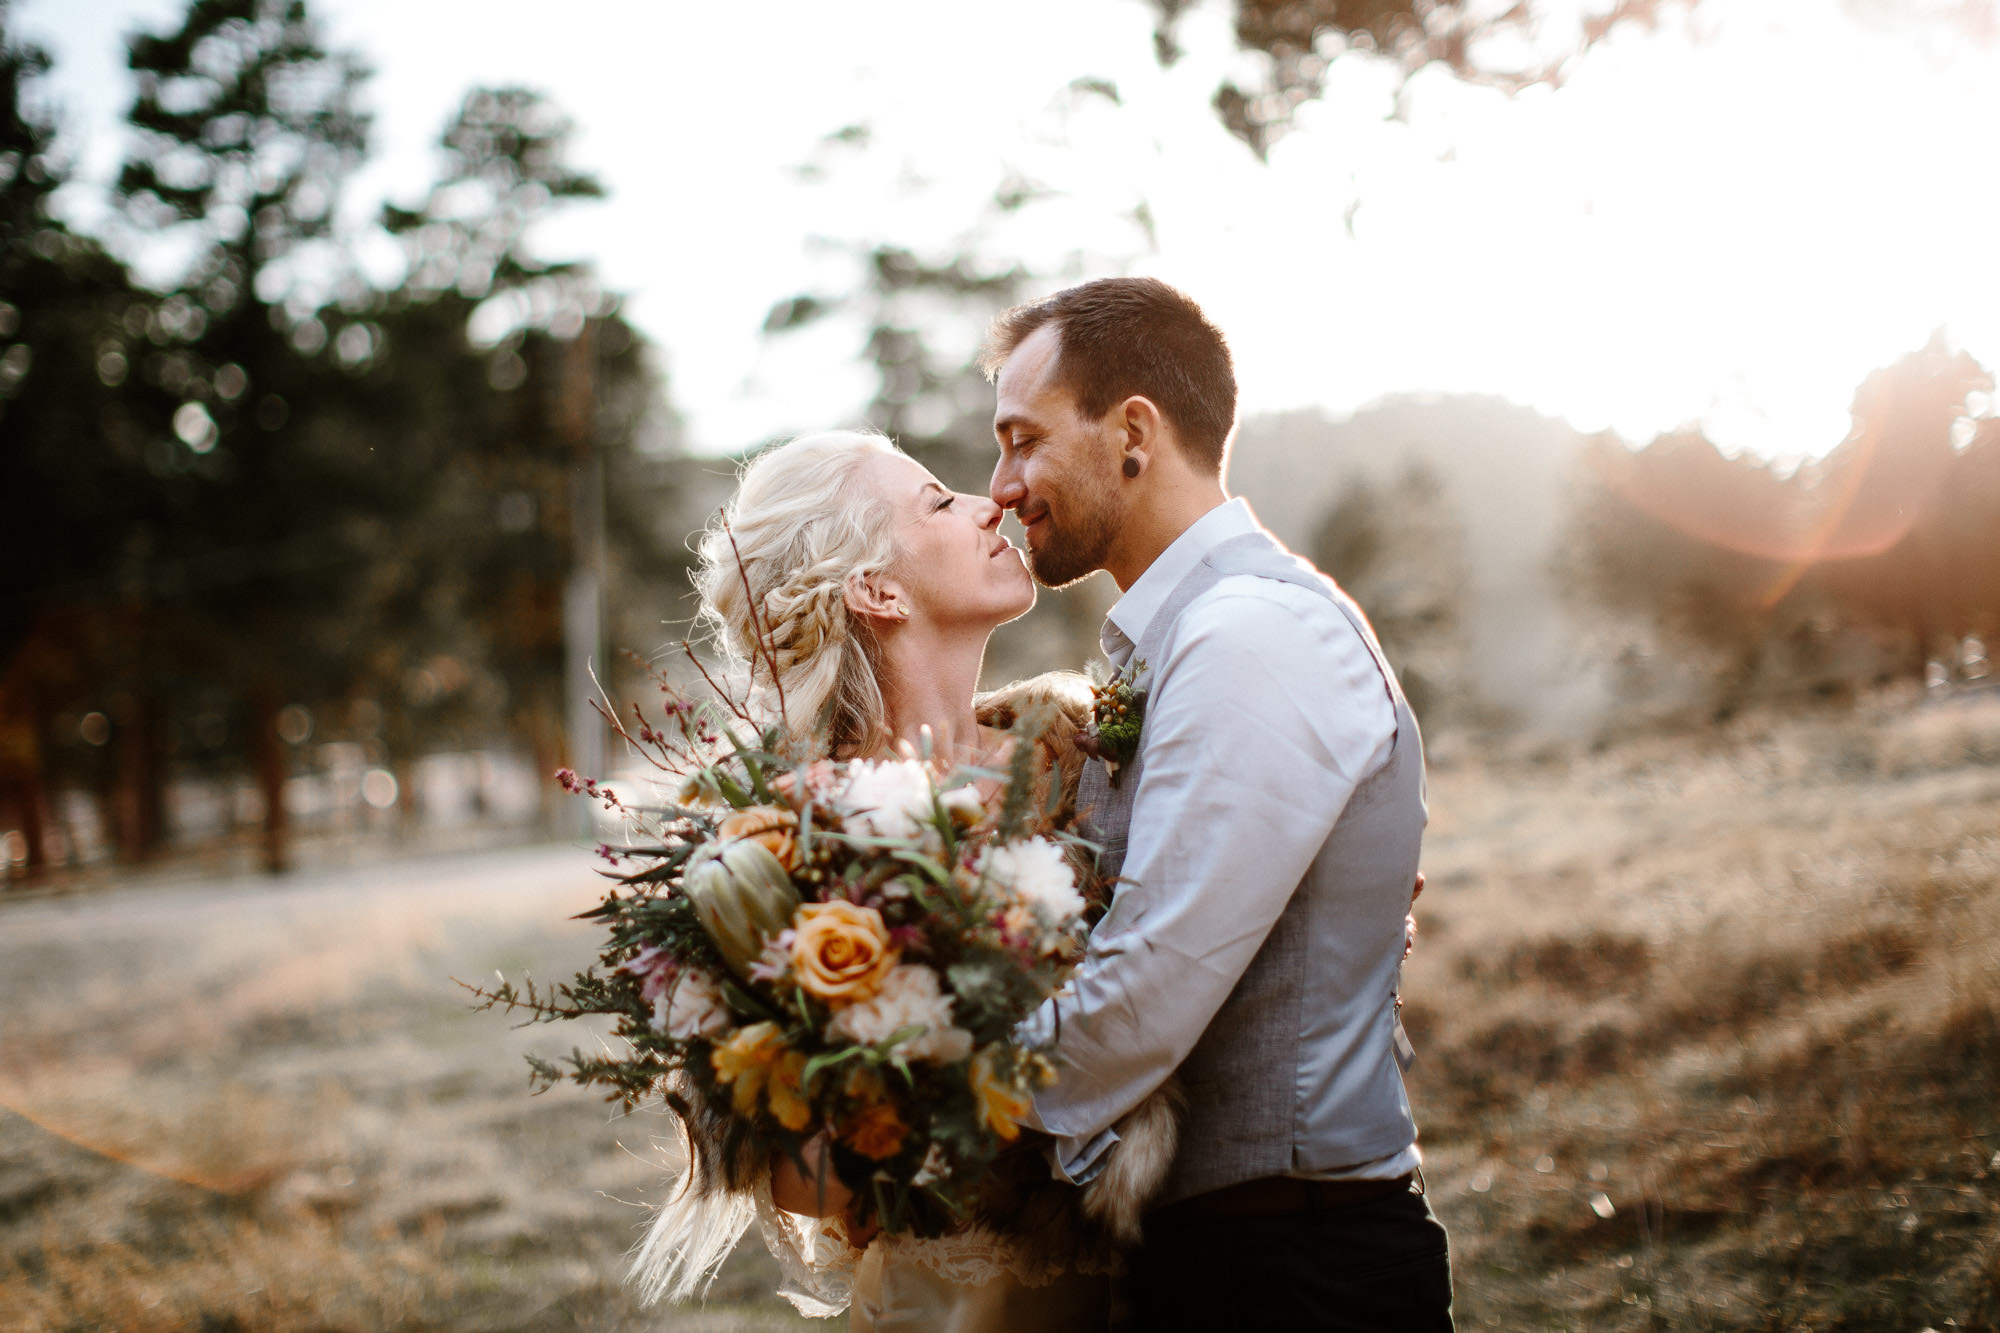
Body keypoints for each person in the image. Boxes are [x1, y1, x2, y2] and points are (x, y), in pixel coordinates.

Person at [983, 276, 1455, 1331]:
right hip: (1227, 1256)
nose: (1002, 485)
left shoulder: (1247, 634)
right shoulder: (1193, 637)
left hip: (1291, 1274)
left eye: (1022, 440)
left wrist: (925, 1110)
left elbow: (1151, 983)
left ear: (1132, 433)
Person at [633, 428, 1178, 1330]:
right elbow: (798, 1182)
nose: (990, 502)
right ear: (876, 588)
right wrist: (922, 1056)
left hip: (1177, 1284)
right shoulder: (782, 840)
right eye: (937, 500)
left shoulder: (1083, 752)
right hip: (954, 1307)